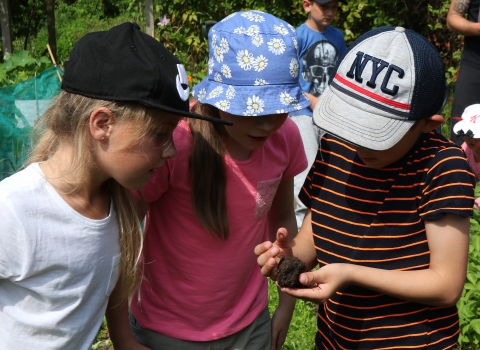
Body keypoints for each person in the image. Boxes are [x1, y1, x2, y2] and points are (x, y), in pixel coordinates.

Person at [0, 22, 229, 350]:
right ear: (102, 124)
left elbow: (123, 339)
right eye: (161, 134)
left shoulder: (118, 210)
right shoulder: (12, 210)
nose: (172, 150)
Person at [255, 26, 476, 349]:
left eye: (377, 131)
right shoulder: (335, 146)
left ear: (428, 123)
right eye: (353, 121)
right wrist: (289, 258)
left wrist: (351, 274)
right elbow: (314, 236)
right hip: (334, 339)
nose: (359, 142)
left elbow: (446, 285)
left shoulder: (442, 167)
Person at [107, 10, 310, 350]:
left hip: (249, 327)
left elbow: (283, 224)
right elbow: (121, 235)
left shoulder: (285, 137)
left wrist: (286, 305)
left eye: (279, 107)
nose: (267, 123)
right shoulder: (177, 144)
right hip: (165, 332)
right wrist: (123, 338)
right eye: (251, 109)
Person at [289, 0, 347, 229]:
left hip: (329, 115)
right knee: (305, 173)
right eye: (324, 7)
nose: (330, 13)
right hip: (302, 113)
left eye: (334, 7)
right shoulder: (297, 37)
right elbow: (289, 78)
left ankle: (325, 227)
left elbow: (342, 74)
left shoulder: (337, 36)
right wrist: (313, 101)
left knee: (330, 169)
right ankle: (298, 234)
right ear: (307, 5)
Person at [447, 0, 480, 146]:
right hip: (474, 65)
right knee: (462, 131)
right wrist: (477, 28)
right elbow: (453, 18)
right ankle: (458, 167)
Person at [453, 103, 480, 207]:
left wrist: (475, 205)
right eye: (467, 134)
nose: (469, 139)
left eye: (476, 135)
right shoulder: (465, 148)